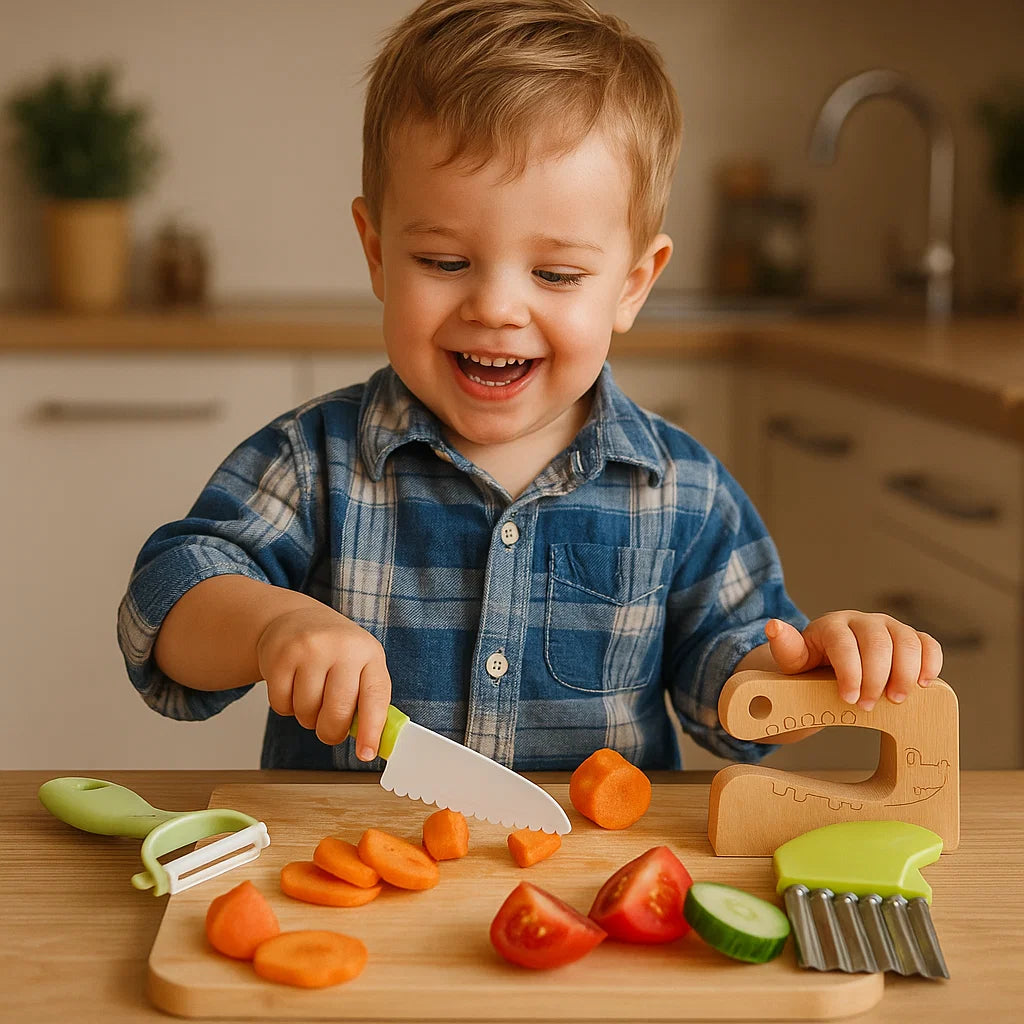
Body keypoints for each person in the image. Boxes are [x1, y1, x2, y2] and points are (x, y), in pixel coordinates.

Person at [117, 0, 942, 772]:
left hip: (588, 901)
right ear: (375, 252)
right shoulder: (315, 460)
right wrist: (272, 626)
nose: (496, 308)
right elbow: (166, 601)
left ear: (632, 284)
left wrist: (818, 670)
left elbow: (732, 684)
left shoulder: (681, 490)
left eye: (555, 272)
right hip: (351, 884)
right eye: (443, 262)